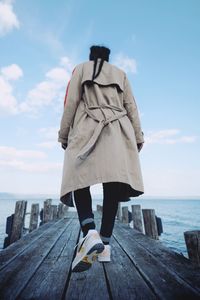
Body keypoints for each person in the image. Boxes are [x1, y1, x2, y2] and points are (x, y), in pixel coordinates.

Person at [58, 45, 144, 272]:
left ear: (91, 57)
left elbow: (71, 102)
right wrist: (137, 137)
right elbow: (132, 107)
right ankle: (104, 246)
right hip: (118, 130)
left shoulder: (81, 69)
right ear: (108, 58)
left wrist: (63, 134)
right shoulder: (121, 74)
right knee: (113, 185)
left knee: (79, 179)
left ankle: (90, 233)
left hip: (87, 126)